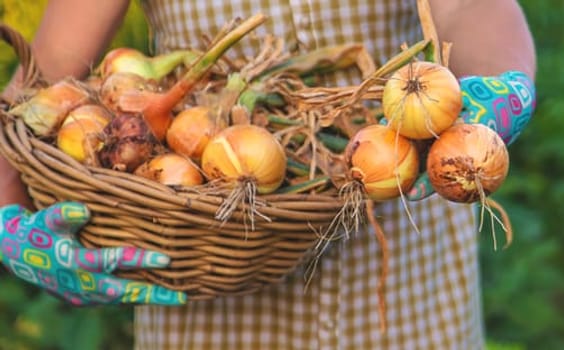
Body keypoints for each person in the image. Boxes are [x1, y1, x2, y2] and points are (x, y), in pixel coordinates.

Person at [0, 0, 536, 348]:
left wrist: (493, 93)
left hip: (408, 292)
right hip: (206, 299)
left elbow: (471, 7)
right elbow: (41, 84)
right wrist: (6, 218)